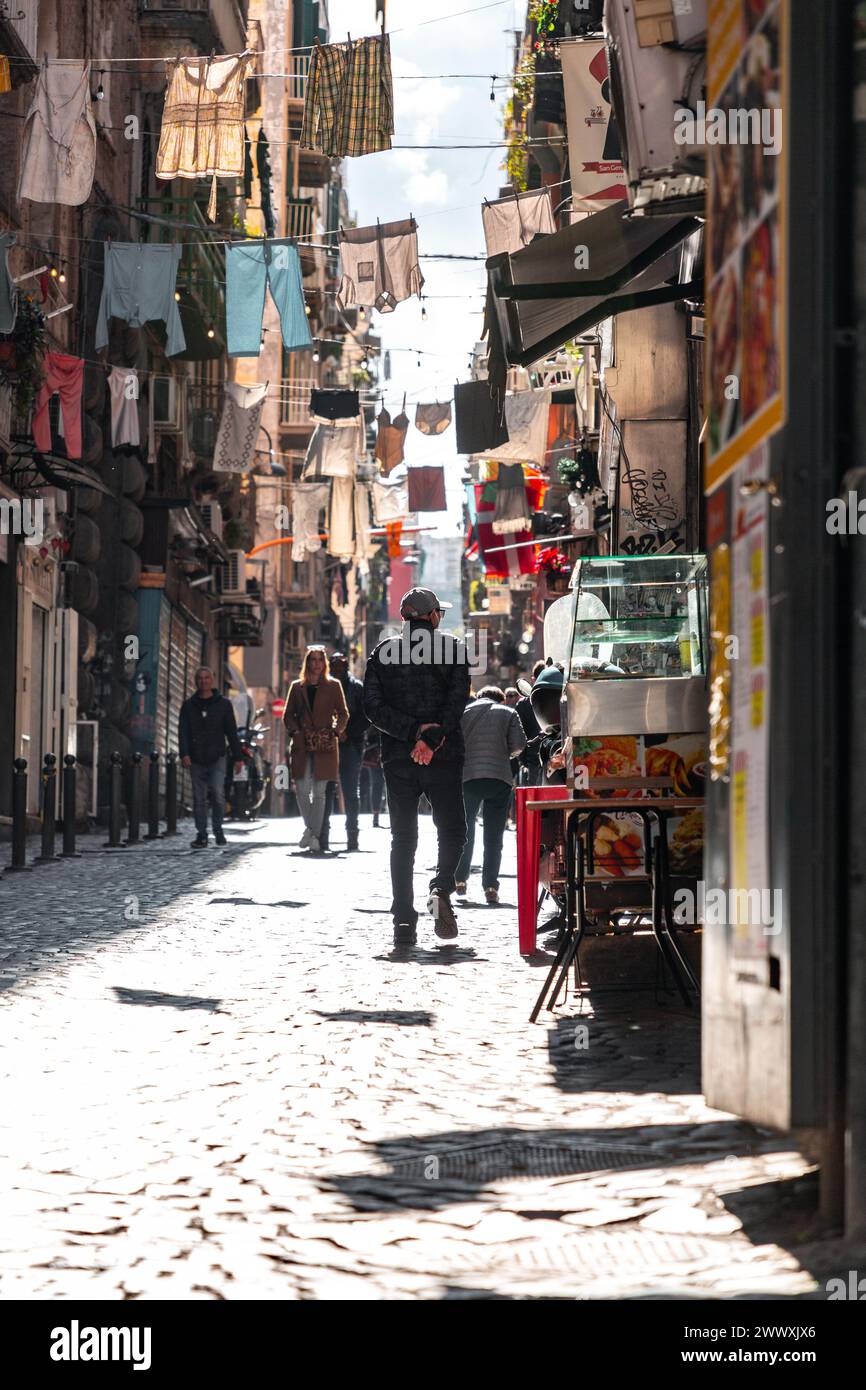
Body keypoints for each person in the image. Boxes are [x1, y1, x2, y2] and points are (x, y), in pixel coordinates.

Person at [363, 586, 471, 947]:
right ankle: (441, 886)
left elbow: (372, 708)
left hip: (398, 759)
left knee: (404, 839)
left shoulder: (382, 653)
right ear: (433, 617)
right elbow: (457, 704)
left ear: (405, 618)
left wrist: (412, 735)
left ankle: (403, 921)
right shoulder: (454, 650)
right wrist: (432, 738)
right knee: (453, 830)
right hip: (444, 755)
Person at [455, 685, 526, 904]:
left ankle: (459, 880)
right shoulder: (508, 712)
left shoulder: (463, 713)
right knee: (494, 836)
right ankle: (490, 886)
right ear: (502, 699)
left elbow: (455, 745)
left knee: (465, 831)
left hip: (469, 778)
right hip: (499, 778)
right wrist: (503, 752)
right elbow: (519, 745)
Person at [283, 646, 348, 854]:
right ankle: (312, 832)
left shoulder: (333, 686)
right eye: (313, 659)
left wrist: (335, 732)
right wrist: (295, 732)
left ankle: (313, 835)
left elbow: (343, 714)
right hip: (302, 744)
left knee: (320, 793)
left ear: (324, 663)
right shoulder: (296, 686)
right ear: (307, 662)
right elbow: (288, 715)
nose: (316, 664)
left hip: (325, 744)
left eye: (320, 660)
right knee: (301, 789)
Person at [179, 666, 244, 848]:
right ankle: (201, 834)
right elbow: (182, 731)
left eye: (207, 678)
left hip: (217, 757)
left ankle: (218, 830)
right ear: (196, 681)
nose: (203, 681)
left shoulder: (223, 704)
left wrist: (238, 757)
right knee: (199, 798)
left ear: (212, 680)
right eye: (200, 678)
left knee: (217, 794)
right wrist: (184, 753)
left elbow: (231, 732)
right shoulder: (189, 705)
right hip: (196, 757)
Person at [328, 650, 368, 851]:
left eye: (341, 664)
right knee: (325, 789)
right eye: (334, 664)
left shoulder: (356, 688)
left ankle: (353, 836)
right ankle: (322, 835)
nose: (337, 667)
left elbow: (365, 717)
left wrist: (348, 733)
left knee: (351, 791)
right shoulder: (324, 687)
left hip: (351, 745)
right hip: (327, 744)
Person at [362, 725, 387, 827]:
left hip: (383, 751)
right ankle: (376, 817)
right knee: (378, 785)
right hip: (376, 753)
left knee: (378, 785)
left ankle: (376, 818)